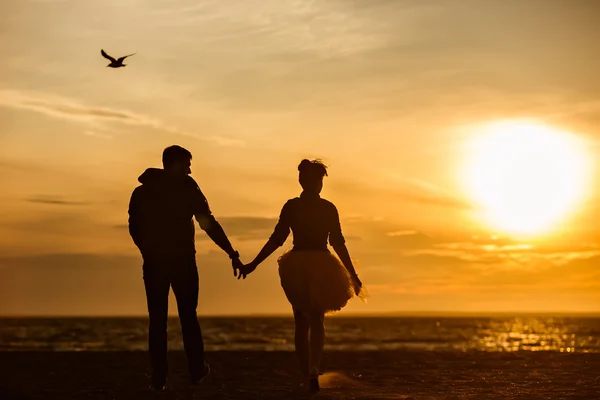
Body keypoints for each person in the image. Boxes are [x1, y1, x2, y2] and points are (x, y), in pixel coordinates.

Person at [240, 159, 367, 392]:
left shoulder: (294, 206)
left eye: (319, 180)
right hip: (319, 261)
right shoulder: (325, 207)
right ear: (304, 181)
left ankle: (307, 372)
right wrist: (352, 274)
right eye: (316, 180)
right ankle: (312, 369)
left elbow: (277, 239)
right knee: (317, 318)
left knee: (301, 320)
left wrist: (253, 264)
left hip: (298, 262)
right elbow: (336, 243)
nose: (318, 184)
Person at [128, 145, 243, 391]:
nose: (190, 170)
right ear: (174, 164)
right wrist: (231, 252)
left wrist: (146, 249)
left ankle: (161, 377)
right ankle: (195, 371)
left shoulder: (142, 192)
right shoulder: (185, 188)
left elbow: (134, 227)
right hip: (180, 262)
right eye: (187, 164)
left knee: (158, 320)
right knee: (187, 318)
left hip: (157, 263)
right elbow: (207, 222)